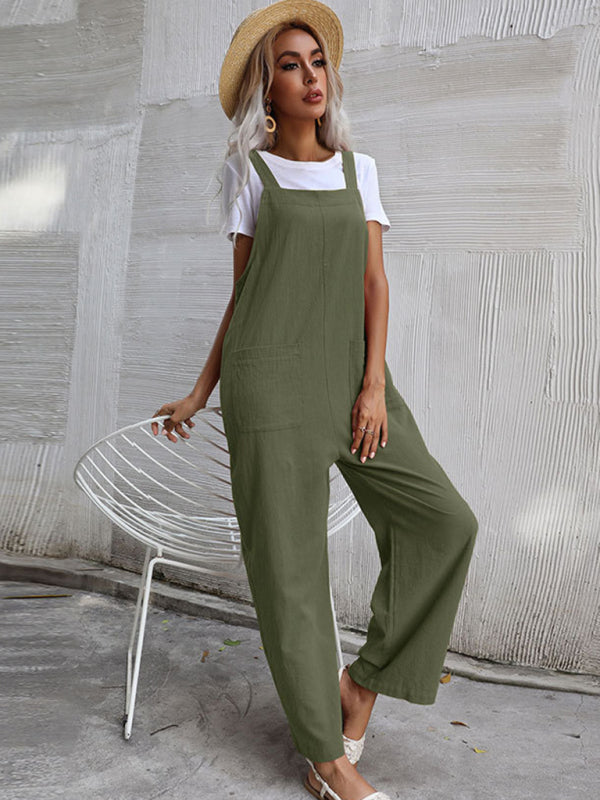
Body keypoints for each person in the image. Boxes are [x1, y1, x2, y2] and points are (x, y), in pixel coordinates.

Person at [151, 2, 479, 799]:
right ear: (268, 90)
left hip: (350, 378)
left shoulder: (359, 170)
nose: (309, 77)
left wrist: (373, 385)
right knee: (291, 571)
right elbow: (243, 295)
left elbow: (374, 283)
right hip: (267, 386)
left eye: (317, 62)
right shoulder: (249, 175)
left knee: (444, 523)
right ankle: (327, 761)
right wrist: (200, 391)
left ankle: (359, 684)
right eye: (290, 66)